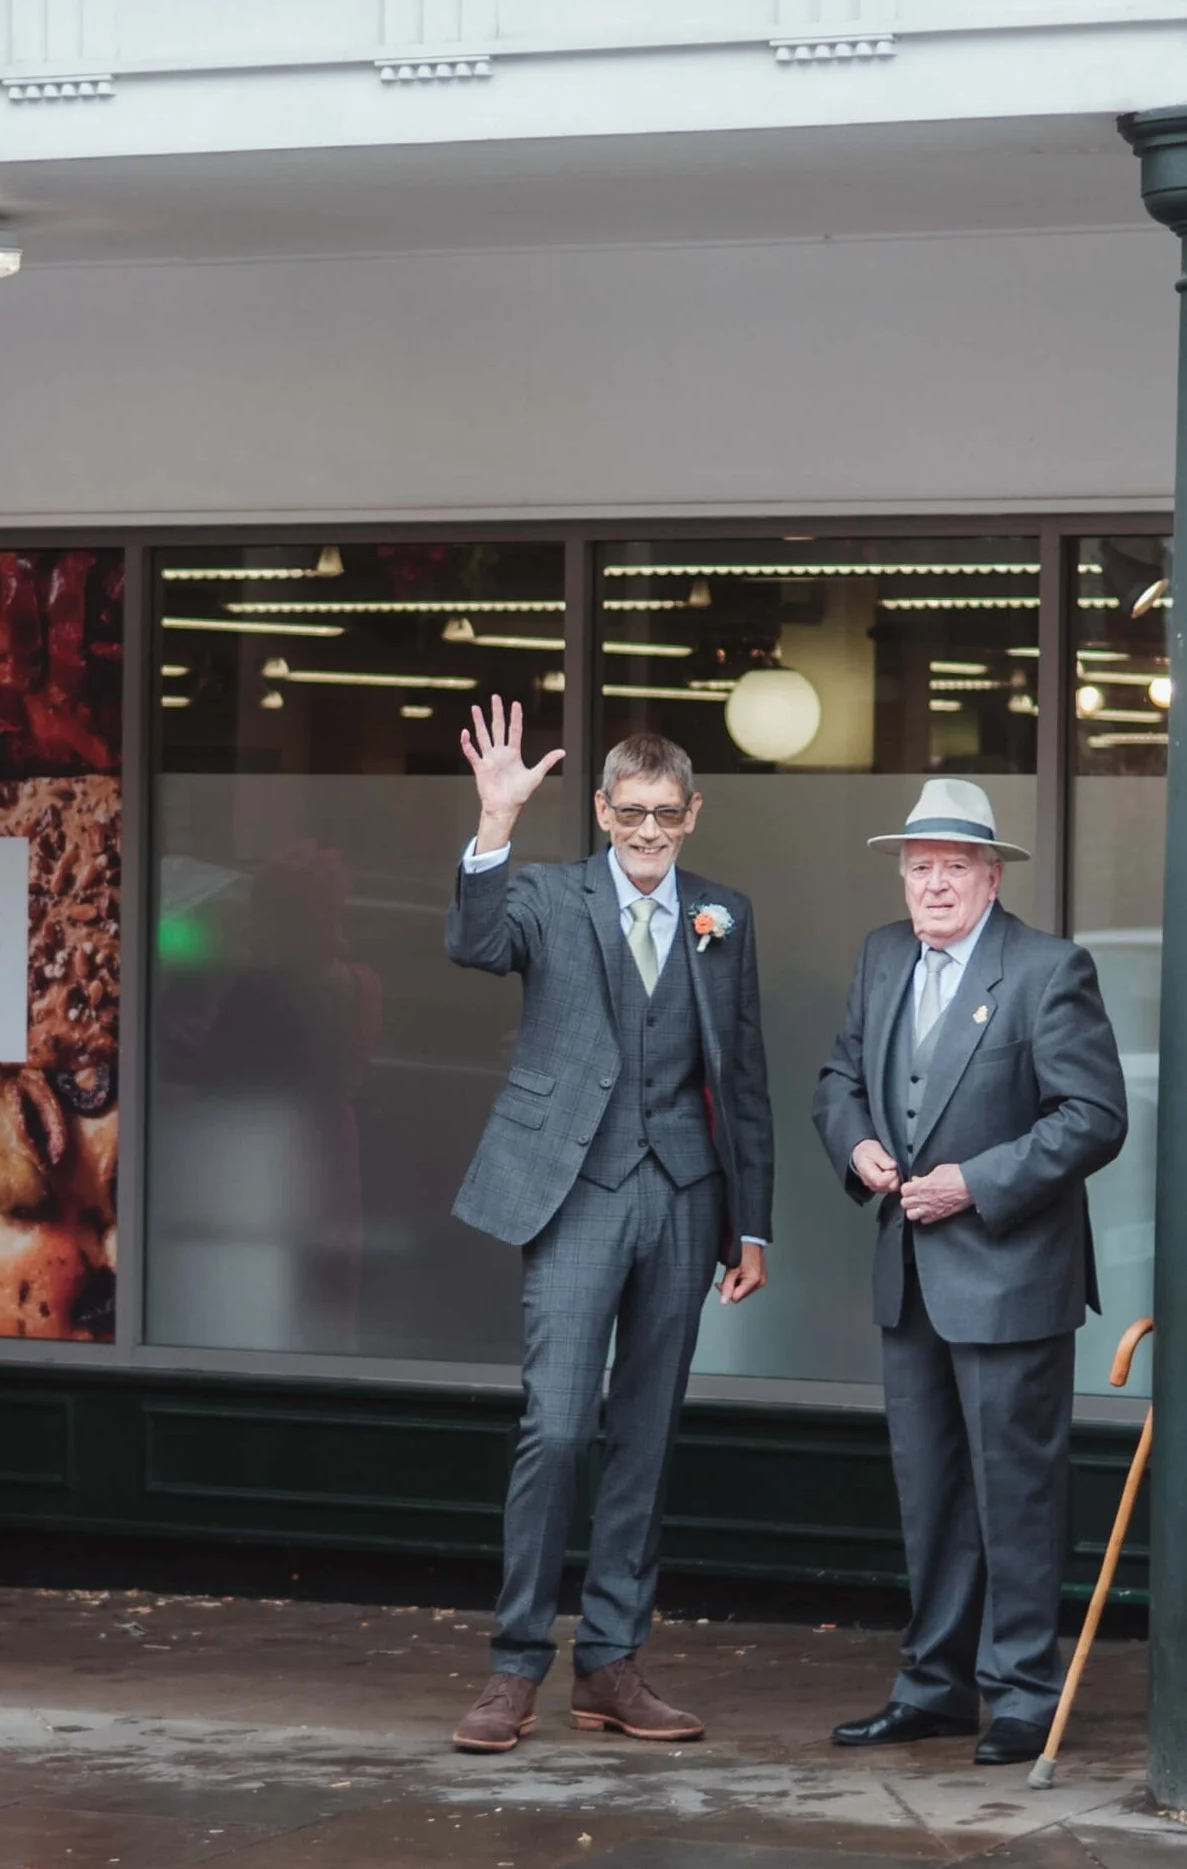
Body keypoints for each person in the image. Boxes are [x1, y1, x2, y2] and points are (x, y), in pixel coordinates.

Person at [443, 700, 772, 1753]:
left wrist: (750, 1224)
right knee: (557, 1427)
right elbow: (471, 941)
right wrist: (494, 825)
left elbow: (746, 1075)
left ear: (693, 813)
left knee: (645, 1431)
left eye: (665, 815)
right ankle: (512, 1665)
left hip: (683, 1193)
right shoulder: (546, 893)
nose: (645, 831)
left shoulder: (725, 914)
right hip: (575, 1188)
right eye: (628, 812)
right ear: (599, 808)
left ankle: (613, 1663)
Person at [811, 777, 1127, 1766]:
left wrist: (973, 1183)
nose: (933, 882)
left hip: (1009, 1273)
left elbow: (1093, 1116)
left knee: (1016, 1491)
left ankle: (1025, 1690)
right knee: (933, 1492)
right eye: (919, 866)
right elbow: (836, 1076)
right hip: (909, 1275)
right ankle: (935, 1685)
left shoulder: (1046, 968)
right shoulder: (878, 955)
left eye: (953, 865)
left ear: (991, 875)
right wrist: (856, 1145)